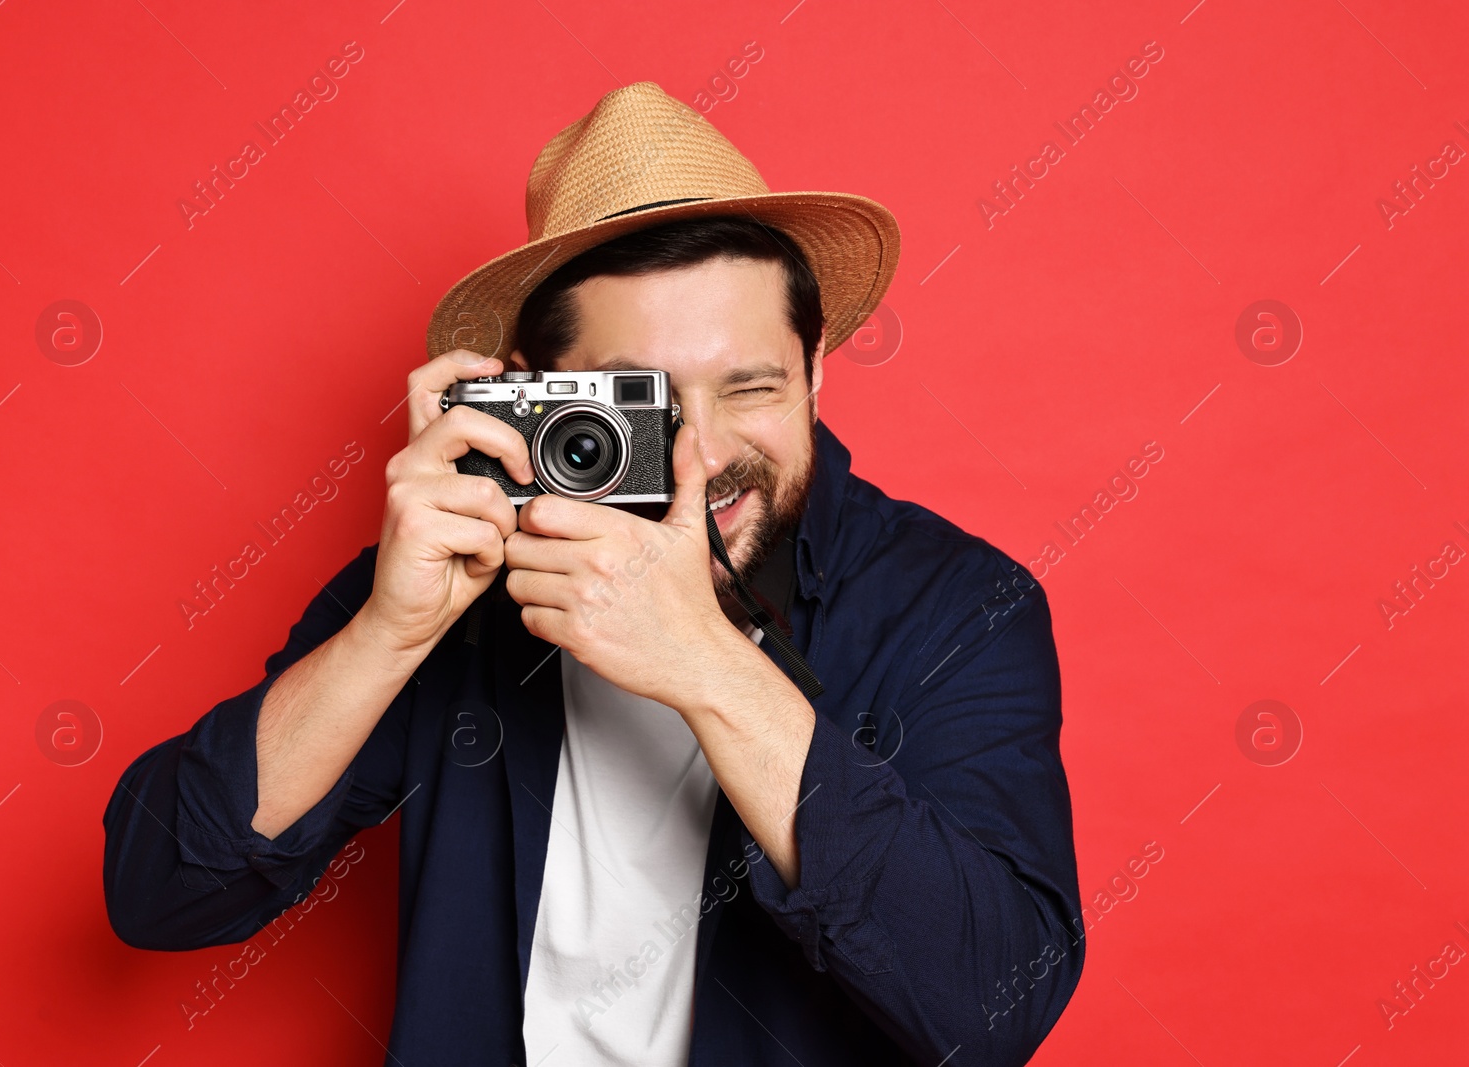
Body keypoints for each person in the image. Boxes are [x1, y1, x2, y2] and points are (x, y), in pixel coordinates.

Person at [103, 80, 1083, 1066]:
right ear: (534, 388)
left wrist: (708, 665)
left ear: (816, 367)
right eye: (645, 399)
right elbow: (163, 889)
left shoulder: (955, 604)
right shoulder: (454, 572)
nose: (703, 450)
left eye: (750, 387)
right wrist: (386, 635)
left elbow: (996, 1006)